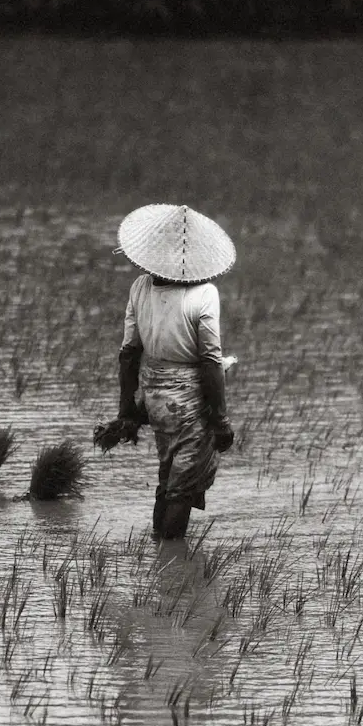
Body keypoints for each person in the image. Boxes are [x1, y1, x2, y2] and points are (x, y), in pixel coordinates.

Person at [114, 203, 236, 540]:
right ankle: (170, 561)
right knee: (182, 486)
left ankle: (160, 551)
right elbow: (211, 362)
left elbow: (128, 353)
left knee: (169, 475)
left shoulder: (140, 287)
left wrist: (127, 411)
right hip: (188, 403)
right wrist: (220, 420)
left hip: (156, 397)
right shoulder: (204, 293)